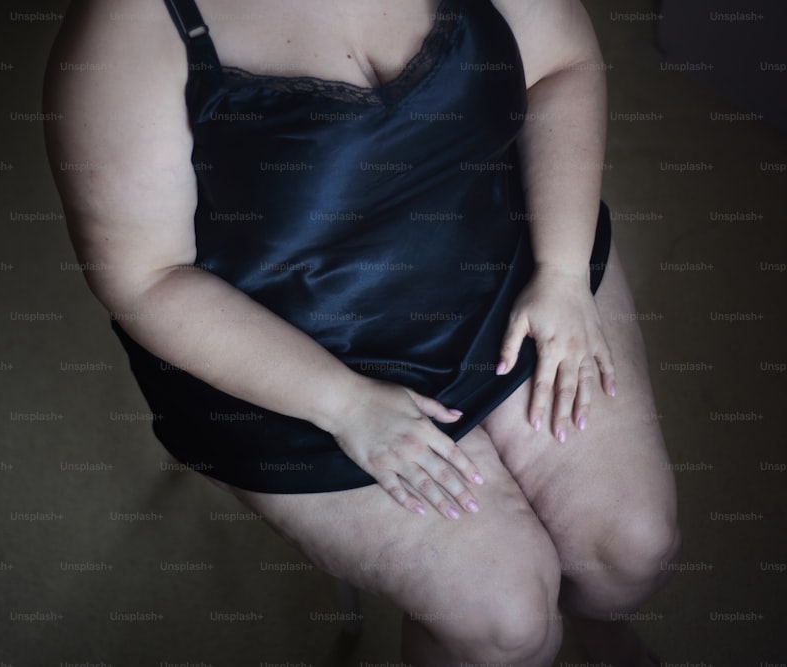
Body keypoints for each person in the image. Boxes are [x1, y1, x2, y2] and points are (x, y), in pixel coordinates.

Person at [42, 0, 682, 664]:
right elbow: (142, 277)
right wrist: (342, 402)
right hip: (283, 351)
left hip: (506, 261)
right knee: (506, 619)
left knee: (632, 548)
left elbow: (562, 66)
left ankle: (595, 622)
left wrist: (563, 270)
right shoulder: (133, 23)